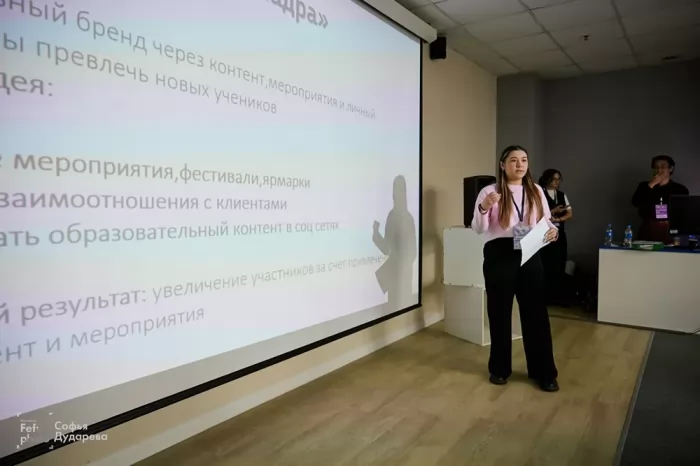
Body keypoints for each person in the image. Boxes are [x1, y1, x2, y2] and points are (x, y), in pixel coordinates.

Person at [472, 145, 560, 392]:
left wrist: (553, 231)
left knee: (536, 313)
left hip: (530, 249)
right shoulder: (489, 191)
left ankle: (544, 372)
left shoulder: (536, 190)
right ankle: (499, 369)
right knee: (499, 311)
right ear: (503, 165)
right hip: (500, 253)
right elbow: (478, 228)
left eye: (523, 160)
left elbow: (546, 221)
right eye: (513, 160)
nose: (519, 164)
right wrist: (484, 207)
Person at [632, 155, 689, 242]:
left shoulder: (680, 189)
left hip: (671, 230)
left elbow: (683, 212)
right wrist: (651, 185)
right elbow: (635, 202)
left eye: (663, 166)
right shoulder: (644, 186)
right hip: (648, 229)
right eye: (656, 167)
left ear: (670, 169)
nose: (659, 170)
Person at [539, 169, 572, 306]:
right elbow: (538, 214)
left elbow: (569, 214)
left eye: (559, 179)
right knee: (545, 264)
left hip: (559, 234)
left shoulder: (562, 195)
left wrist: (557, 218)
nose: (557, 182)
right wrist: (553, 212)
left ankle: (557, 296)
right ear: (547, 179)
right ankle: (544, 297)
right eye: (554, 179)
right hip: (544, 235)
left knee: (559, 264)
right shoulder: (540, 193)